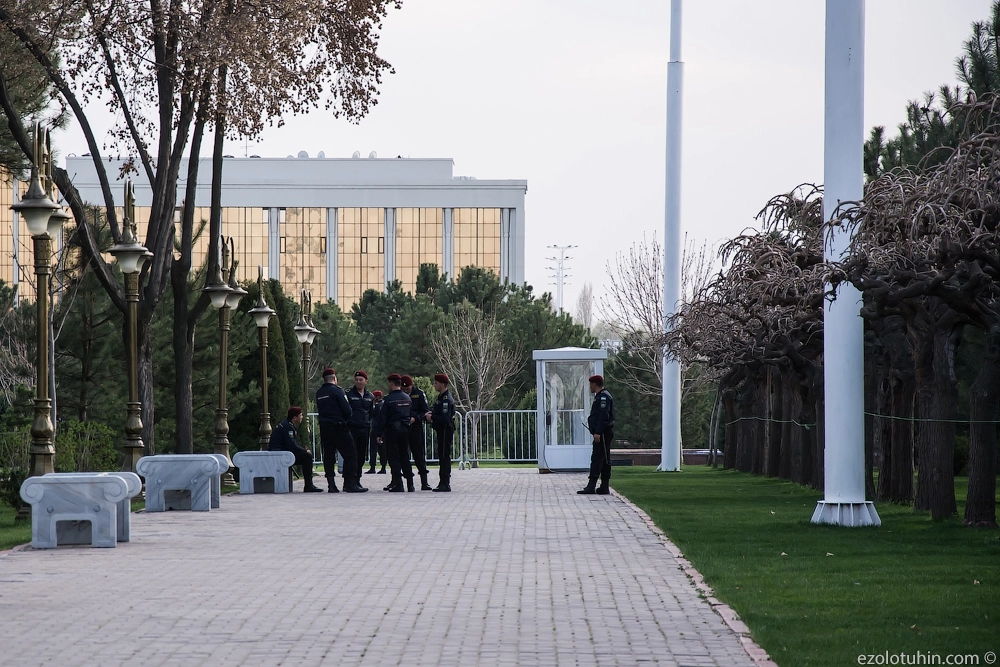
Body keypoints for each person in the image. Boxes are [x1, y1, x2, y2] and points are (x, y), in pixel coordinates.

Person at [316, 368, 367, 493]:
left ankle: (331, 485)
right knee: (351, 454)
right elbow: (347, 410)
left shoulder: (319, 393)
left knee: (329, 456)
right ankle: (350, 483)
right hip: (339, 427)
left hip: (324, 427)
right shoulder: (338, 391)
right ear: (334, 378)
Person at [268, 406, 323, 492]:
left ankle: (309, 484)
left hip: (280, 453)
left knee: (306, 456)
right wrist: (305, 451)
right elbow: (292, 446)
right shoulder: (288, 427)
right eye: (300, 415)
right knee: (307, 457)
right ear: (294, 417)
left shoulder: (287, 424)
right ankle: (308, 485)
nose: (302, 417)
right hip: (280, 454)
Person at [374, 373, 412, 492]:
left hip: (392, 431)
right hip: (405, 430)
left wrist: (379, 434)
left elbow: (382, 418)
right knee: (405, 456)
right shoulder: (407, 398)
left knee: (393, 457)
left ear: (391, 384)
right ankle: (410, 484)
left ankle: (398, 484)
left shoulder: (388, 399)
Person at [579, 374, 615, 495]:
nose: (590, 387)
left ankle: (592, 485)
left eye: (591, 384)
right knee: (603, 459)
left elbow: (603, 416)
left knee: (597, 459)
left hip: (603, 433)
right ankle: (604, 486)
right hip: (603, 432)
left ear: (594, 384)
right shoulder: (601, 396)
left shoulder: (603, 397)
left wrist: (598, 432)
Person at [425, 373, 456, 492]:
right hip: (441, 430)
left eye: (436, 383)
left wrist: (432, 417)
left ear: (442, 384)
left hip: (445, 430)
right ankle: (442, 481)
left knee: (444, 456)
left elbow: (445, 418)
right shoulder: (441, 397)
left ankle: (445, 483)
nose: (434, 385)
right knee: (442, 455)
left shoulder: (446, 399)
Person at [401, 375, 432, 491]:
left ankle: (424, 482)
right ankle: (408, 483)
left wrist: (416, 418)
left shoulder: (419, 394)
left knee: (419, 455)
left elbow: (425, 411)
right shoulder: (399, 395)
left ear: (412, 385)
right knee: (403, 455)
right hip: (403, 428)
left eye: (408, 388)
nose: (406, 391)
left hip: (415, 427)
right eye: (404, 389)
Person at [347, 369, 375, 481]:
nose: (358, 382)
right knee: (352, 455)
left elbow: (371, 413)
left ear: (365, 381)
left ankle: (357, 478)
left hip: (364, 428)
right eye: (356, 380)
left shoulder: (370, 396)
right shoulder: (349, 394)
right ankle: (350, 480)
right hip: (352, 428)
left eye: (361, 380)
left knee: (362, 455)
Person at [366, 390, 387, 474]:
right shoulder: (384, 404)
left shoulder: (376, 406)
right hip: (382, 429)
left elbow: (371, 414)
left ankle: (373, 467)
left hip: (375, 428)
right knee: (382, 449)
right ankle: (383, 466)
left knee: (374, 449)